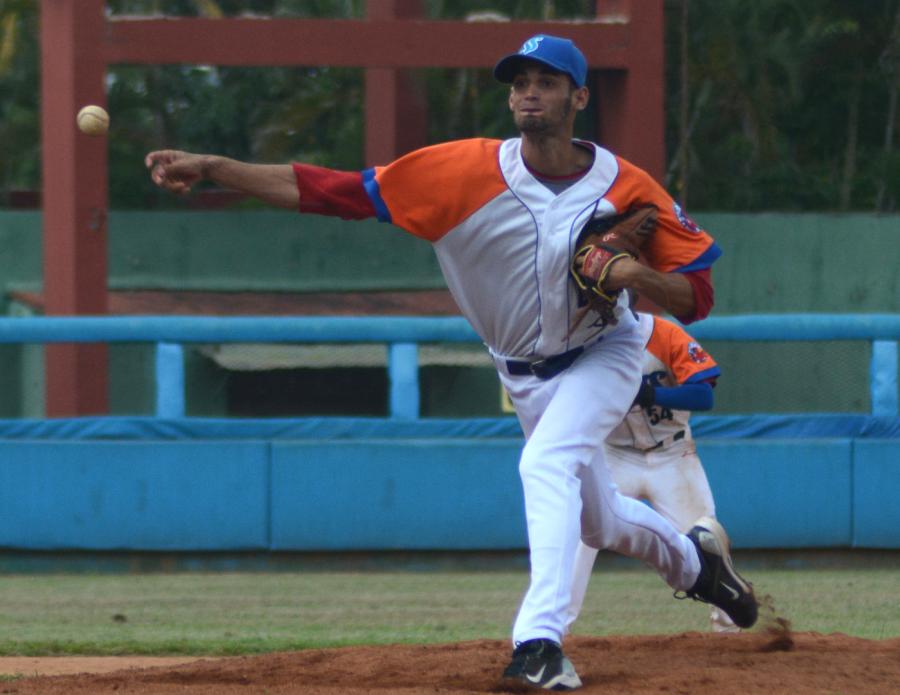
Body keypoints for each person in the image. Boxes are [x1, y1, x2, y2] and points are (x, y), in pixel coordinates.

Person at [146, 34, 757, 692]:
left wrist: (636, 272)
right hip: (521, 373)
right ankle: (698, 565)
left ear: (578, 97)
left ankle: (540, 643)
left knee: (544, 463)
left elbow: (697, 295)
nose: (528, 90)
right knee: (597, 518)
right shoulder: (460, 172)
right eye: (519, 79)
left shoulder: (626, 187)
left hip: (606, 350)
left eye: (546, 81)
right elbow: (334, 191)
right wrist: (217, 166)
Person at [565, 312, 739, 636]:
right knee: (578, 533)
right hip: (614, 457)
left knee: (707, 538)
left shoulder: (663, 333)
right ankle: (553, 632)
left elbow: (704, 394)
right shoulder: (579, 340)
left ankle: (728, 630)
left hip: (672, 455)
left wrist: (651, 394)